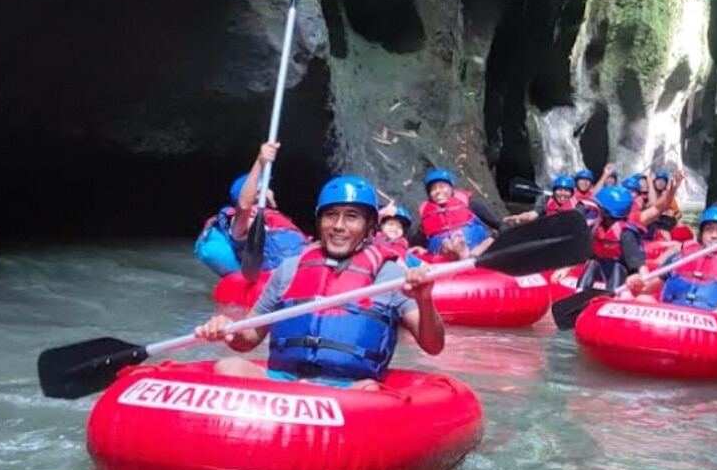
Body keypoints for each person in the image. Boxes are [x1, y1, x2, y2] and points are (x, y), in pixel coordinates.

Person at [195, 175, 444, 391]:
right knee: (229, 366)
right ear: (319, 220)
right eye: (330, 215)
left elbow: (433, 346)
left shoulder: (390, 276)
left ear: (369, 225)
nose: (338, 226)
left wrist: (424, 300)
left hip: (350, 390)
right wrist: (228, 328)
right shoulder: (288, 270)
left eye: (351, 217)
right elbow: (248, 339)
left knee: (368, 389)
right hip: (283, 382)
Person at [625, 205, 717, 314]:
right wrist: (635, 282)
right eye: (709, 229)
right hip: (670, 320)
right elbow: (645, 289)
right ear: (701, 234)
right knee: (643, 299)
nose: (714, 235)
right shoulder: (677, 259)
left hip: (710, 327)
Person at [193, 141, 309, 276]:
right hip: (280, 280)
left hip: (301, 270)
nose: (270, 189)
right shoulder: (248, 222)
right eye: (265, 187)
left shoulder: (271, 218)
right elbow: (244, 205)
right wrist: (260, 162)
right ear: (258, 193)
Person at [418, 168, 504, 257]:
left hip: (474, 243)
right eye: (433, 189)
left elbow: (491, 219)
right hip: (446, 249)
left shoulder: (467, 203)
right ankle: (467, 257)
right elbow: (421, 237)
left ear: (451, 188)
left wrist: (501, 226)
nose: (438, 191)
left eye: (442, 187)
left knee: (466, 241)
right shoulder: (426, 211)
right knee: (447, 244)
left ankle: (471, 255)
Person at [577, 184, 646, 292]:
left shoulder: (626, 233)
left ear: (607, 212)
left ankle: (611, 295)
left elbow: (638, 263)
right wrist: (566, 269)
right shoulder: (597, 226)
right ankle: (580, 291)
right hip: (602, 268)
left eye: (599, 208)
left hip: (621, 274)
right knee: (593, 263)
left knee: (617, 267)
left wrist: (643, 279)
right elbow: (585, 253)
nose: (596, 209)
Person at [504, 174, 582, 226]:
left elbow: (578, 220)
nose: (562, 194)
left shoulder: (578, 205)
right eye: (559, 190)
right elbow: (534, 214)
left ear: (572, 193)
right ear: (554, 191)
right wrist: (520, 218)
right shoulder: (547, 201)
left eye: (567, 191)